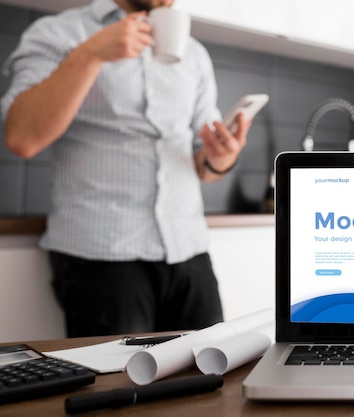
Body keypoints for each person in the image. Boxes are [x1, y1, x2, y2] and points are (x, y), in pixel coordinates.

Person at [0, 0, 253, 337]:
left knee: (214, 379)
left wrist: (221, 157)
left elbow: (203, 165)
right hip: (101, 256)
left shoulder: (194, 54)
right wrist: (91, 54)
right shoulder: (59, 33)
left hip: (189, 250)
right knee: (117, 385)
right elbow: (22, 137)